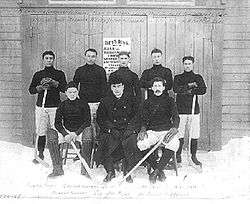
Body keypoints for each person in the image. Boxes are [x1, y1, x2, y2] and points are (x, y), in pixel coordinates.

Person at [96, 75, 140, 183]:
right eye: (114, 86)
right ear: (111, 88)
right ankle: (110, 171)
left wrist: (130, 129)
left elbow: (137, 116)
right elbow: (101, 118)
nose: (117, 89)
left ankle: (128, 170)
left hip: (127, 129)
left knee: (131, 141)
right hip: (112, 129)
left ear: (123, 87)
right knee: (106, 141)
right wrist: (111, 129)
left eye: (119, 86)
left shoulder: (132, 99)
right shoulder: (105, 101)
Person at [137, 77, 180, 184]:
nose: (157, 88)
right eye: (155, 86)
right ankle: (159, 170)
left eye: (159, 86)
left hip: (166, 131)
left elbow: (176, 117)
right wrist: (143, 129)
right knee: (141, 144)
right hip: (152, 131)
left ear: (164, 88)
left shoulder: (169, 100)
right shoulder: (147, 102)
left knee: (174, 143)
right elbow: (143, 119)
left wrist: (174, 128)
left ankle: (156, 171)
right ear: (151, 88)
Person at [47, 81, 91, 178]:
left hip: (80, 131)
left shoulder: (83, 104)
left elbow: (87, 121)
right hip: (66, 132)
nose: (72, 94)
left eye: (74, 92)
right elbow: (57, 123)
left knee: (88, 136)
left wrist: (76, 133)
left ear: (77, 92)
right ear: (66, 93)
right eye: (70, 92)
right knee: (51, 135)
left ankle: (85, 170)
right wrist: (65, 134)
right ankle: (57, 169)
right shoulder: (62, 105)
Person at [28, 50, 67, 163]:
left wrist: (55, 84)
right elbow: (31, 90)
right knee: (41, 130)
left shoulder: (59, 74)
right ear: (43, 60)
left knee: (57, 129)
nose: (49, 60)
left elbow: (64, 89)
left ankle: (57, 154)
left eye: (51, 58)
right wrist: (40, 87)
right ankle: (40, 154)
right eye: (46, 58)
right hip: (42, 106)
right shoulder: (38, 74)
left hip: (55, 106)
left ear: (53, 59)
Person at [73, 48, 107, 162]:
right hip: (83, 104)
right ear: (85, 56)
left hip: (97, 104)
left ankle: (96, 152)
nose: (91, 58)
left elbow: (104, 87)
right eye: (88, 56)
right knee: (84, 127)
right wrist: (77, 99)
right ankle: (83, 151)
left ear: (96, 57)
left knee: (97, 127)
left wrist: (102, 102)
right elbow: (74, 85)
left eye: (93, 56)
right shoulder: (80, 70)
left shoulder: (100, 70)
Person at [173, 56, 207, 167]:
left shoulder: (197, 77)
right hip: (181, 110)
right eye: (185, 63)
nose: (187, 65)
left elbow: (203, 90)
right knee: (180, 133)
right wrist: (190, 87)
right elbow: (176, 89)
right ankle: (178, 155)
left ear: (192, 64)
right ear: (183, 64)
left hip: (193, 111)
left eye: (189, 63)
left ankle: (193, 156)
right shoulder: (178, 77)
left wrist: (189, 90)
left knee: (194, 133)